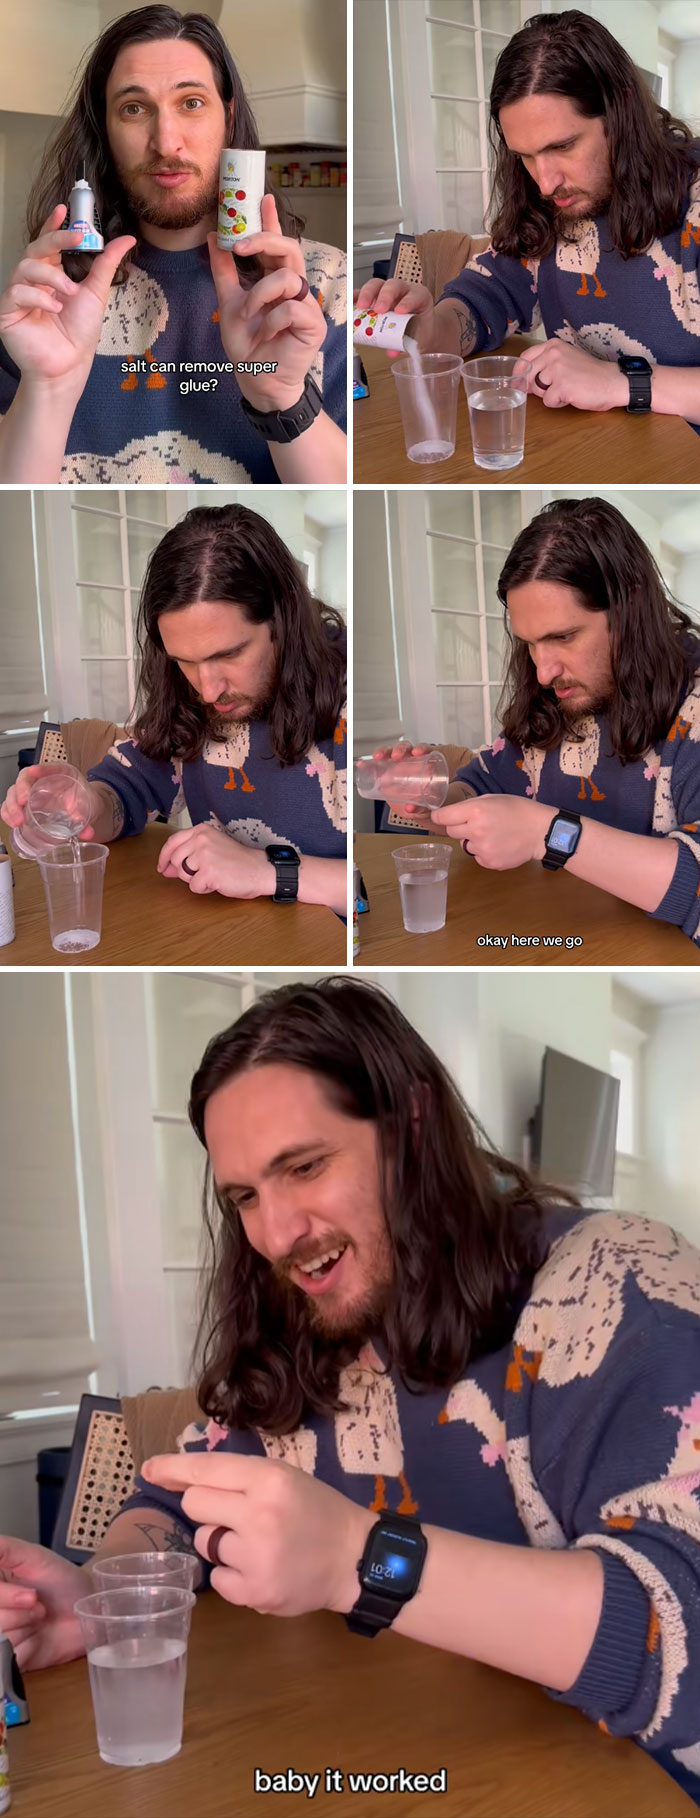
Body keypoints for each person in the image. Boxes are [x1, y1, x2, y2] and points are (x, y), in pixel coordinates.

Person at [2, 976, 700, 1806]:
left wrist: (357, 1561)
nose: (276, 1235)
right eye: (246, 1197)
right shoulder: (306, 1322)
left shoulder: (614, 1284)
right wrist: (100, 1594)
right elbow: (181, 1503)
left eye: (305, 1166)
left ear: (409, 1124)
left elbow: (679, 1630)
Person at [0, 5, 346, 483]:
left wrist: (282, 398)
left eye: (191, 103)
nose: (166, 142)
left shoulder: (325, 283)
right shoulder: (48, 299)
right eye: (134, 108)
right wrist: (48, 389)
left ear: (227, 115)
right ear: (105, 129)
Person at [373, 497, 700, 949]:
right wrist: (435, 801)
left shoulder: (693, 709)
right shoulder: (552, 703)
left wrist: (547, 833)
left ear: (631, 604)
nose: (544, 673)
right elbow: (483, 783)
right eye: (529, 643)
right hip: (550, 945)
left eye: (563, 637)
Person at [1, 503, 347, 915]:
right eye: (184, 660)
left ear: (284, 615)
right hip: (239, 935)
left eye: (230, 653)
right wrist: (83, 804)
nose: (207, 690)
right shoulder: (191, 699)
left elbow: (371, 882)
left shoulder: (347, 693)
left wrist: (265, 871)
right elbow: (125, 792)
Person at [355, 10, 700, 424]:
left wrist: (618, 383)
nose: (546, 183)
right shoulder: (546, 209)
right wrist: (429, 329)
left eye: (563, 146)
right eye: (525, 157)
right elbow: (483, 301)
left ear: (621, 108)